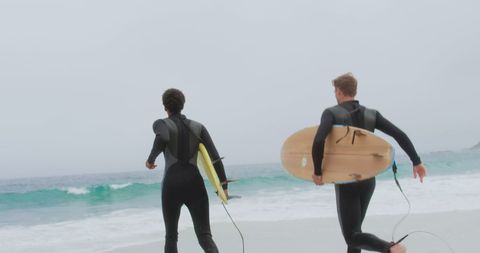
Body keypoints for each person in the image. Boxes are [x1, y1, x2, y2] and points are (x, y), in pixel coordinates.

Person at [311, 73, 427, 253]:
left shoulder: (331, 113)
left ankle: (389, 247)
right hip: (368, 180)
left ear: (340, 92)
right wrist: (416, 162)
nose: (335, 94)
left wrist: (317, 171)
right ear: (354, 91)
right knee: (356, 234)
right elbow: (398, 134)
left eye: (335, 91)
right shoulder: (371, 114)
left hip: (347, 181)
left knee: (351, 236)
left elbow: (318, 141)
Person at [145, 88, 228, 253]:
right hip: (194, 184)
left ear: (165, 106)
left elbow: (162, 137)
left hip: (172, 185)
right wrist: (223, 185)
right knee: (204, 236)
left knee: (171, 237)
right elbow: (214, 157)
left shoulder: (161, 123)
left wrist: (151, 159)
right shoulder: (198, 127)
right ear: (183, 105)